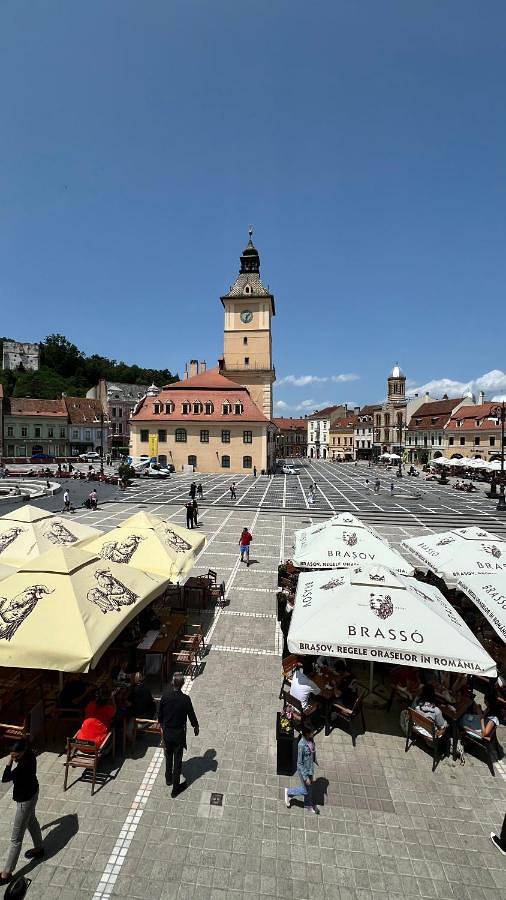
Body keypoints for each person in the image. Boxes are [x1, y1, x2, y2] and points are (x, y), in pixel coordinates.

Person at [0, 739, 44, 885]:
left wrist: (8, 762)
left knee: (15, 839)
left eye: (15, 756)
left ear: (22, 752)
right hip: (33, 792)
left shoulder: (22, 767)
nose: (14, 759)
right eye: (12, 756)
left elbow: (5, 778)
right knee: (32, 821)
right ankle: (39, 849)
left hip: (25, 801)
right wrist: (14, 757)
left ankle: (6, 874)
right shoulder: (30, 755)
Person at [158, 673, 199, 797]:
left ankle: (168, 778)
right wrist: (195, 726)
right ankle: (176, 788)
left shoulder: (165, 697)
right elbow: (191, 714)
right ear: (182, 684)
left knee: (168, 755)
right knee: (178, 760)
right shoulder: (185, 699)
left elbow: (160, 715)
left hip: (167, 732)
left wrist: (162, 726)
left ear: (172, 683)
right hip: (179, 734)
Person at [284, 723, 319, 814]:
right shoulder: (301, 745)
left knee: (309, 789)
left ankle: (308, 805)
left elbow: (312, 752)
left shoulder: (311, 739)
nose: (313, 733)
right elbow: (299, 763)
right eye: (312, 732)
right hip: (304, 771)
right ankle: (289, 792)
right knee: (305, 790)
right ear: (307, 733)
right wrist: (306, 777)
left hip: (310, 768)